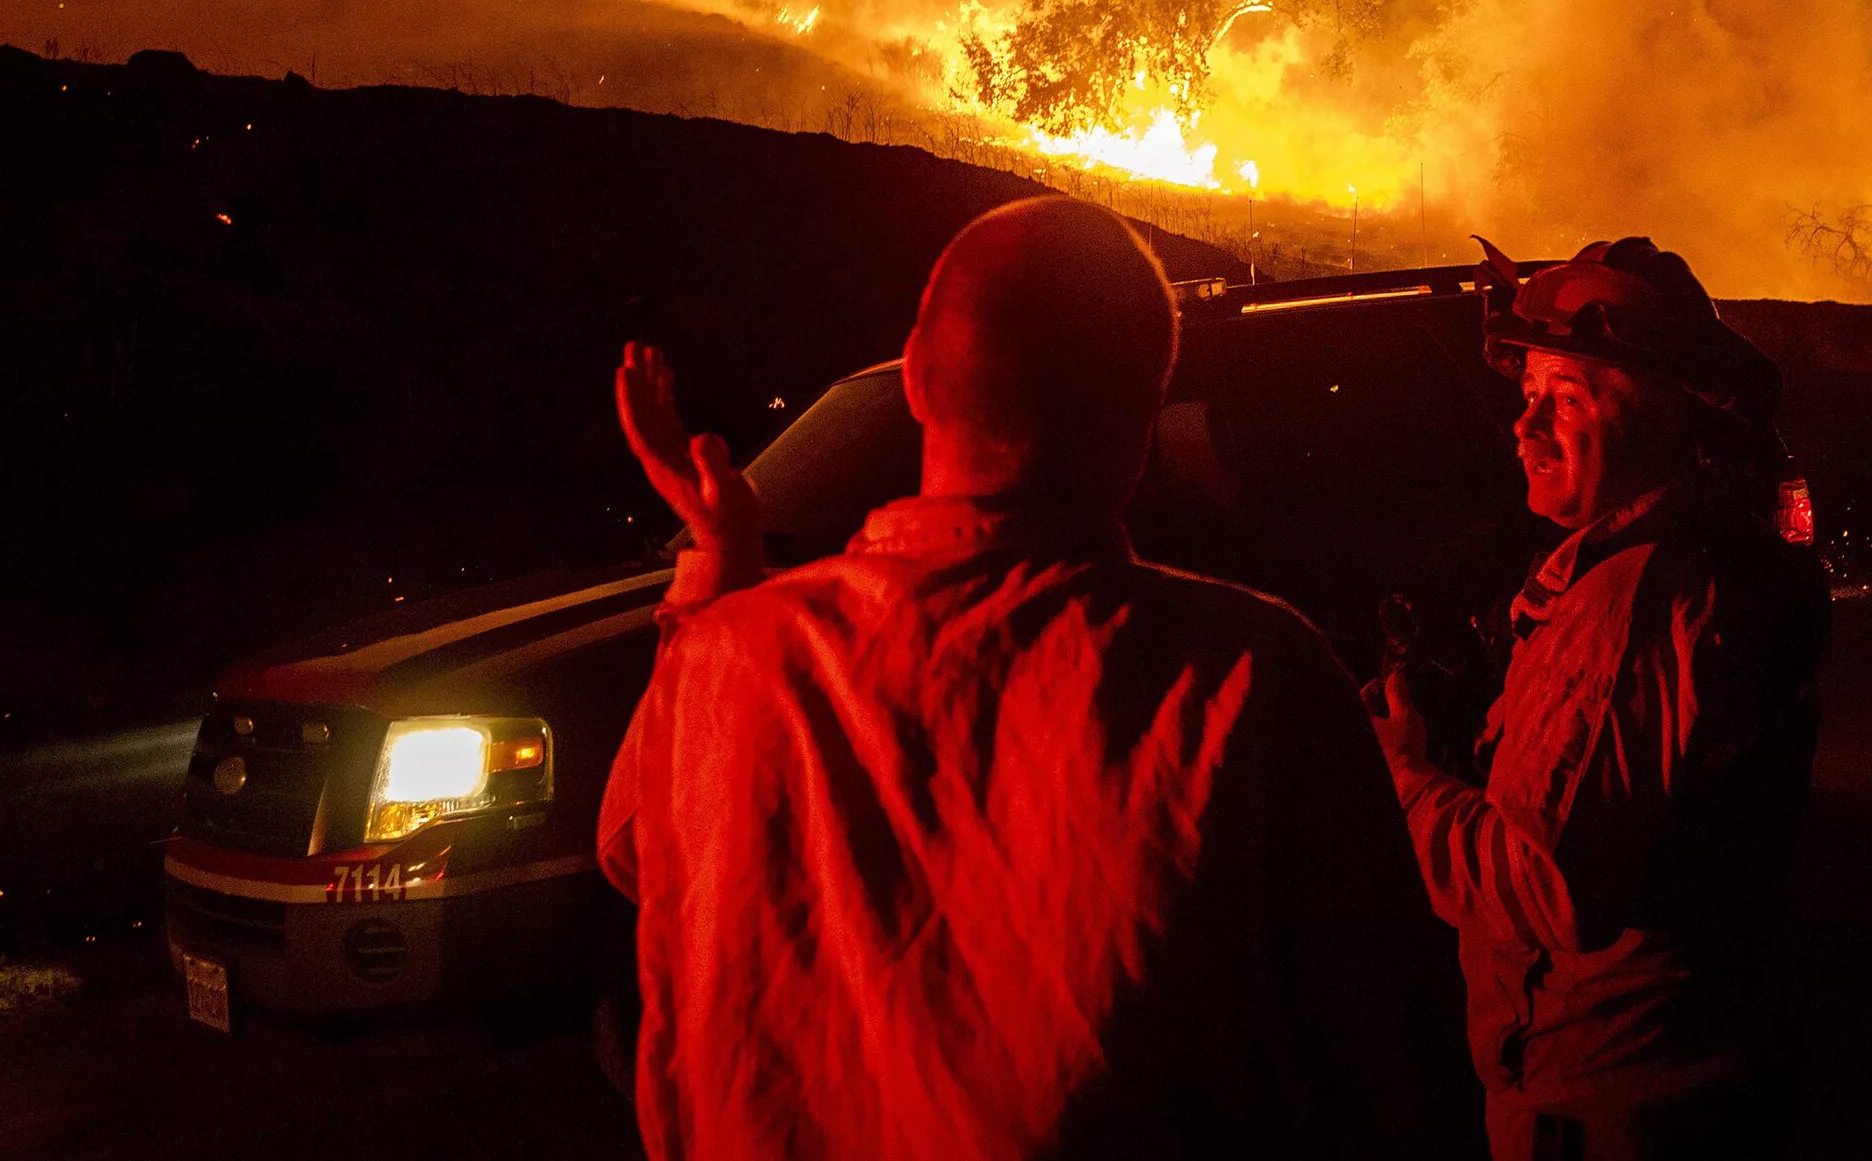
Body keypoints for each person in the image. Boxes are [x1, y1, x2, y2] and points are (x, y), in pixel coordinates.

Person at [598, 195, 1479, 1160]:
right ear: (1147, 422)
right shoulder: (1248, 678)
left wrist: (718, 574)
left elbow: (643, 854)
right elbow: (1393, 1066)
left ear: (920, 378)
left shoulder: (730, 657)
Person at [1370, 237, 1829, 1161]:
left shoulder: (1636, 602)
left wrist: (1406, 776)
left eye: (1565, 401)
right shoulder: (1674, 566)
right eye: (1527, 396)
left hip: (1610, 1104)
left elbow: (1552, 886)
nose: (1525, 427)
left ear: (1656, 422)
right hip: (1674, 1080)